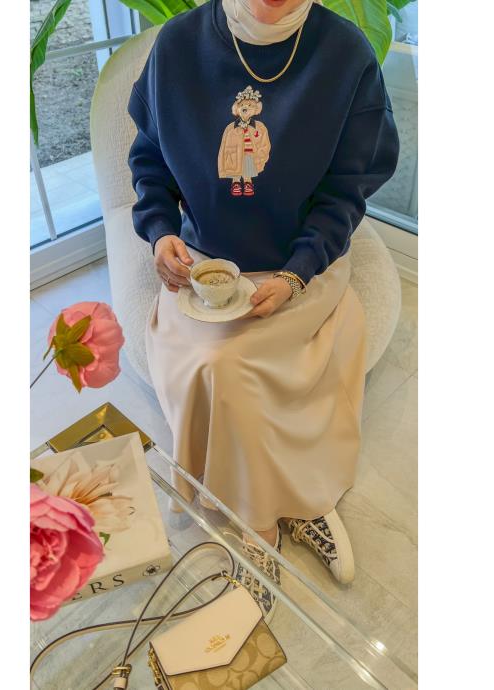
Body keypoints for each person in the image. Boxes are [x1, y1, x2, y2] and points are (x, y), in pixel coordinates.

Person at [128, 0, 399, 621]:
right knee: (221, 367)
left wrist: (298, 271)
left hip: (301, 265)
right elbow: (149, 159)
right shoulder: (177, 46)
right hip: (206, 269)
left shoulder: (347, 55)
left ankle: (303, 502)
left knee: (281, 359)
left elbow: (346, 191)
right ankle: (260, 526)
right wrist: (160, 231)